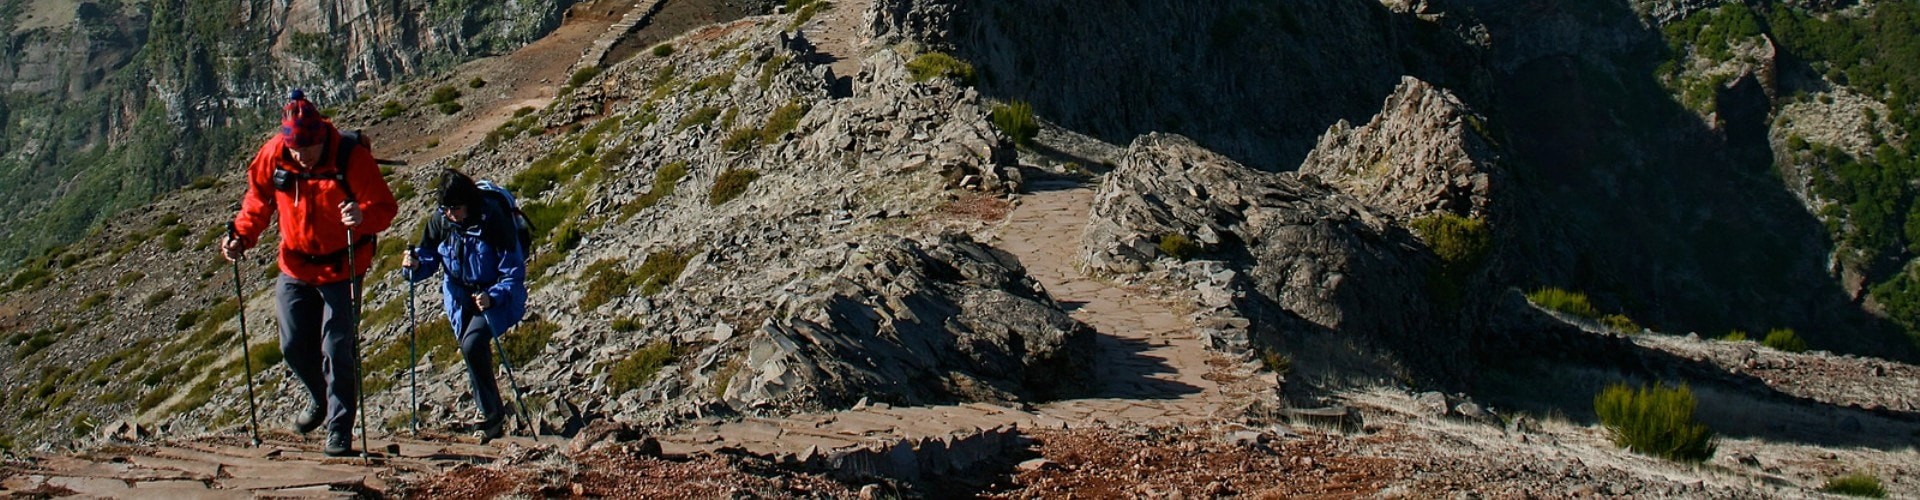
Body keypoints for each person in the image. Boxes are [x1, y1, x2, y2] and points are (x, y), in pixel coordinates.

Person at [222, 90, 397, 457]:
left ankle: (339, 431)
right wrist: (240, 237)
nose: (302, 156)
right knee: (293, 345)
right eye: (296, 150)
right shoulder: (275, 155)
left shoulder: (351, 157)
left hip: (343, 266)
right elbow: (257, 202)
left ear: (321, 137)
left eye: (309, 149)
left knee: (337, 347)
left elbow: (384, 206)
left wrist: (362, 217)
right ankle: (320, 396)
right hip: (296, 264)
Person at [401, 169, 527, 440]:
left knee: (472, 345)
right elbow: (429, 257)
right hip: (459, 298)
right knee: (473, 351)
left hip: (495, 298)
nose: (449, 214)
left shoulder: (494, 219)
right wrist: (414, 266)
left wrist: (493, 296)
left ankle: (491, 416)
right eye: (445, 208)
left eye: (455, 208)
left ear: (469, 203)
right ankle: (492, 415)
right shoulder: (441, 222)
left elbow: (513, 271)